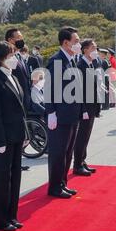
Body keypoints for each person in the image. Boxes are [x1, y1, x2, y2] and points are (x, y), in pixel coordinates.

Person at [0, 43, 27, 231]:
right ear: (0, 58)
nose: (15, 58)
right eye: (11, 55)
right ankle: (0, 219)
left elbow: (20, 110)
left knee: (15, 176)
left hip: (17, 135)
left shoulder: (14, 77)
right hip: (3, 138)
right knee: (2, 179)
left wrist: (26, 133)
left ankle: (12, 215)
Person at [45, 27, 83, 199]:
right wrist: (51, 112)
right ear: (66, 42)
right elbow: (50, 89)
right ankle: (54, 186)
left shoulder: (72, 59)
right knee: (58, 152)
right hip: (60, 115)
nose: (78, 44)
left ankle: (62, 183)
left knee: (68, 151)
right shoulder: (57, 61)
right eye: (76, 41)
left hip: (71, 114)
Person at [5, 29, 32, 171]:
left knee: (21, 131)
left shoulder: (19, 55)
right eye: (18, 38)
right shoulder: (7, 56)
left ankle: (17, 160)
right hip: (15, 100)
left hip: (24, 97)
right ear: (10, 40)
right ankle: (12, 162)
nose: (22, 40)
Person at [73, 39, 100, 176]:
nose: (95, 50)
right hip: (84, 107)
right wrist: (82, 109)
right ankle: (77, 164)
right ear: (85, 50)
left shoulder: (91, 64)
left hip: (91, 106)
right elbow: (79, 90)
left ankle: (82, 161)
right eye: (93, 48)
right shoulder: (80, 65)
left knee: (86, 135)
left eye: (96, 47)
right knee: (81, 136)